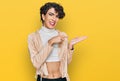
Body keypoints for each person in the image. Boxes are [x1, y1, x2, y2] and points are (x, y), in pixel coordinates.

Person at [28, 2, 87, 81]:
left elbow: (67, 62)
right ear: (43, 16)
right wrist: (50, 42)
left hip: (61, 78)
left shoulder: (62, 35)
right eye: (51, 14)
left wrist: (70, 46)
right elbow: (36, 63)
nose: (54, 19)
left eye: (57, 16)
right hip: (44, 79)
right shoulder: (33, 37)